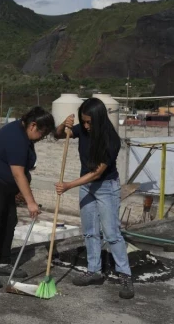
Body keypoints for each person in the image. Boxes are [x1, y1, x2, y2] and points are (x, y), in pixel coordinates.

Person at [53, 97, 135, 300]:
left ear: (99, 119)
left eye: (89, 122)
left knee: (111, 233)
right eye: (84, 121)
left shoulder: (111, 140)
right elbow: (57, 135)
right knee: (90, 232)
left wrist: (69, 185)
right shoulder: (83, 128)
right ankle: (94, 271)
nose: (86, 126)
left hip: (106, 187)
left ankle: (125, 275)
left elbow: (98, 173)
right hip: (86, 186)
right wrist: (65, 124)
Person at [0, 106, 55, 289]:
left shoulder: (23, 131)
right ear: (33, 126)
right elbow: (18, 174)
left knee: (9, 221)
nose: (42, 138)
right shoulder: (16, 137)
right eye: (42, 133)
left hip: (4, 184)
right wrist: (31, 202)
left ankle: (3, 263)